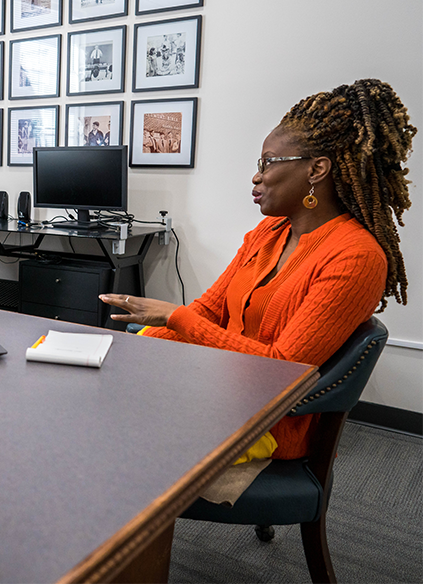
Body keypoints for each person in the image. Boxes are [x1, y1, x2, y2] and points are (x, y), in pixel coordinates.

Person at [101, 79, 414, 461]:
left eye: (268, 163)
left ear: (317, 169)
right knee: (94, 389)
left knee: (103, 426)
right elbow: (209, 310)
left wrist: (175, 317)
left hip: (267, 420)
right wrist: (135, 348)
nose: (257, 176)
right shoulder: (269, 231)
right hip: (216, 384)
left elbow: (280, 371)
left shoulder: (356, 257)